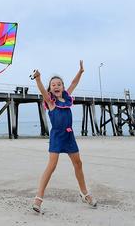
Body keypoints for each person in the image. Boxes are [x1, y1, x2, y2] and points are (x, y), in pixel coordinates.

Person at [31, 60, 97, 213]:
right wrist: (38, 79)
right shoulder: (51, 102)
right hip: (57, 136)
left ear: (62, 87)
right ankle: (38, 199)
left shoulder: (67, 99)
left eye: (59, 84)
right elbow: (42, 91)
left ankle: (84, 193)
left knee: (78, 164)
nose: (56, 86)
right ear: (50, 88)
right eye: (53, 84)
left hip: (69, 136)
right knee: (51, 166)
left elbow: (74, 83)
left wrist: (80, 72)